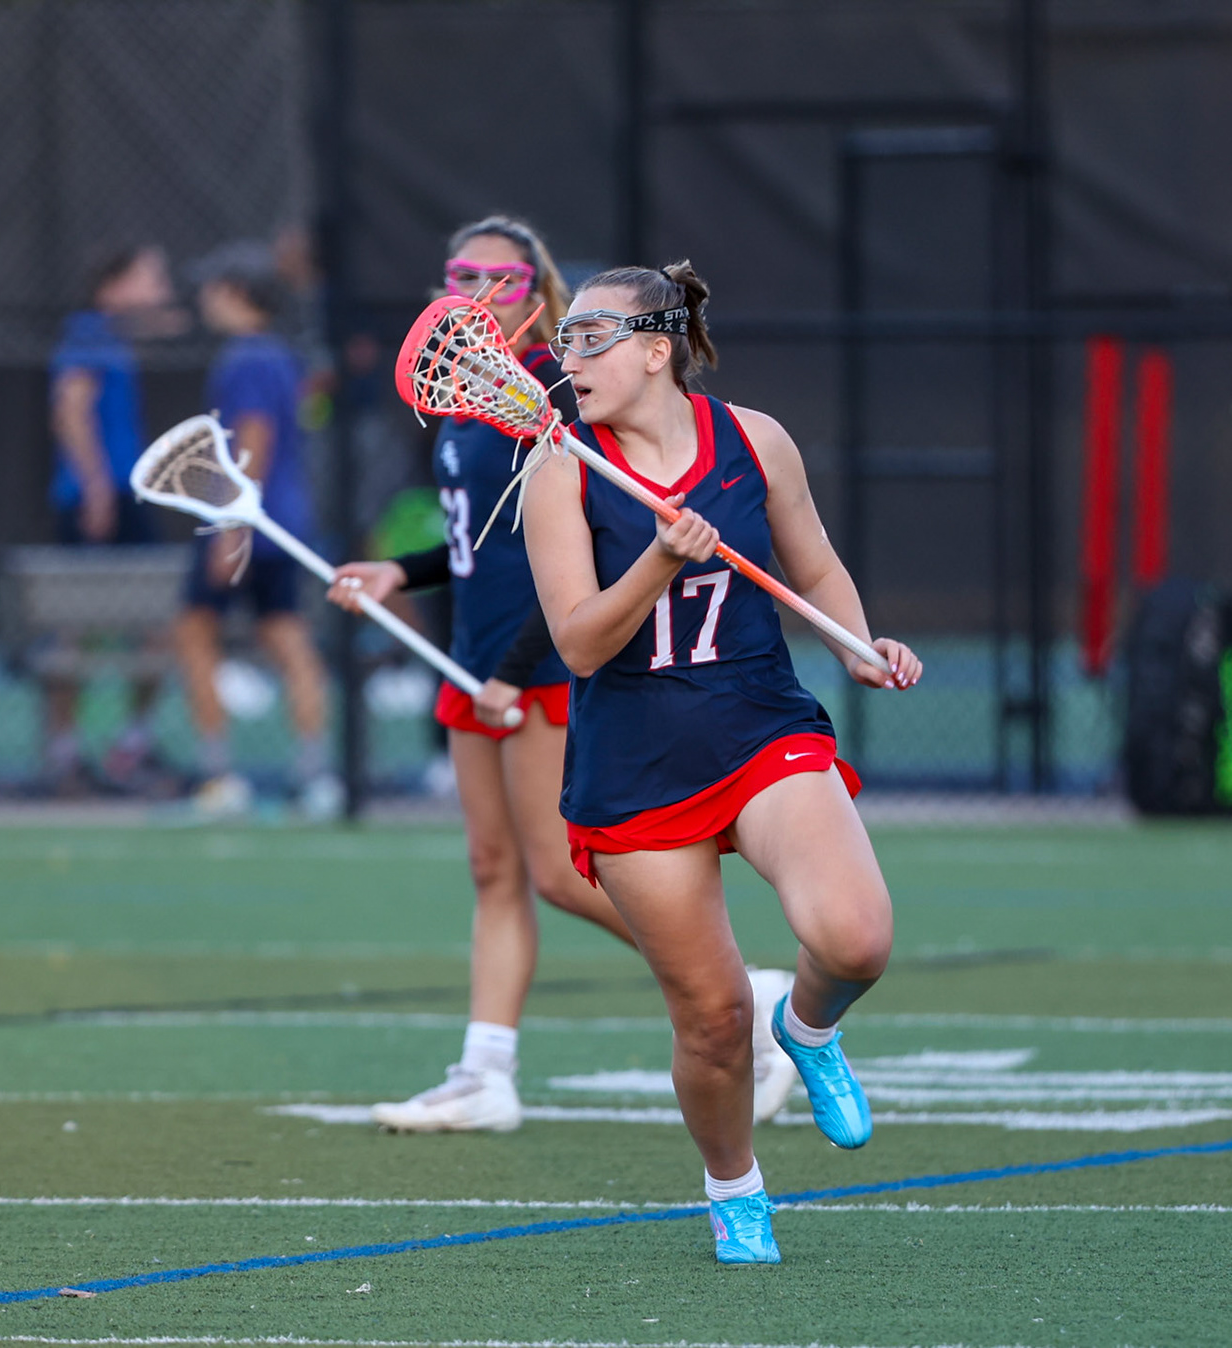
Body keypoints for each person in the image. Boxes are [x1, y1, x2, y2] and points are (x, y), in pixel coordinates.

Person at [329, 218, 799, 1133]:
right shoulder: (465, 392)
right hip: (474, 654)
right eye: (461, 272)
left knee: (553, 869)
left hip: (538, 658)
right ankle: (485, 1071)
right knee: (492, 867)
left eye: (499, 275)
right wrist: (405, 572)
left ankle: (748, 988)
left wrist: (515, 666)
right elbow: (481, 538)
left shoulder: (557, 388)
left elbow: (573, 547)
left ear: (538, 288)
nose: (478, 287)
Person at [520, 261, 922, 1264]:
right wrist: (658, 559)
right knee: (712, 1016)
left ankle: (814, 1027)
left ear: (658, 348)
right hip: (636, 762)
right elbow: (576, 644)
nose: (571, 360)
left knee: (858, 935)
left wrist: (857, 644)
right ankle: (733, 1182)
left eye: (591, 338)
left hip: (756, 722)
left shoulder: (756, 441)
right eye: (565, 341)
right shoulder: (561, 466)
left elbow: (814, 566)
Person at [173, 244, 340, 819]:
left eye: (214, 289)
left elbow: (254, 440)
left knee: (194, 634)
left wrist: (228, 526)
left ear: (239, 295)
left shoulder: (244, 358)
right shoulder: (283, 357)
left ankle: (218, 776)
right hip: (283, 521)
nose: (203, 300)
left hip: (247, 523)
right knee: (288, 638)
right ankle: (313, 775)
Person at [45, 243, 177, 796]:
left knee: (157, 628)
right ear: (112, 287)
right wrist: (96, 487)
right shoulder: (89, 335)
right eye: (150, 279)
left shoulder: (116, 338)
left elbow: (166, 321)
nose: (161, 289)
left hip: (127, 497)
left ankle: (131, 745)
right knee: (77, 631)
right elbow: (69, 409)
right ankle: (65, 753)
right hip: (99, 500)